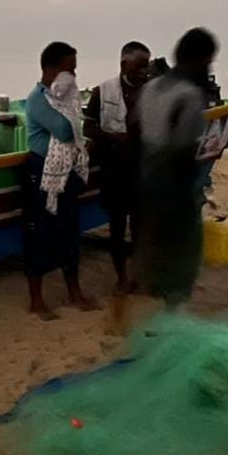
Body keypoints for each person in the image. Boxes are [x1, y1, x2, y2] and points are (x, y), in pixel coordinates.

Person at [133, 28, 218, 308]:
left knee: (153, 258)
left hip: (146, 186)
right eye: (208, 61)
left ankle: (150, 316)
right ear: (197, 59)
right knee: (180, 264)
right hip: (174, 189)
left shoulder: (150, 88)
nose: (209, 67)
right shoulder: (189, 95)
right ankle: (171, 318)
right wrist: (186, 199)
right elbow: (182, 153)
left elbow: (135, 131)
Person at [22, 41, 99, 319]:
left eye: (75, 72)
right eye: (69, 71)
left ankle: (74, 292)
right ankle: (36, 300)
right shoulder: (38, 99)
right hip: (42, 172)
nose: (73, 78)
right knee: (39, 236)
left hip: (66, 172)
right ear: (51, 70)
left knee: (69, 233)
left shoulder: (63, 100)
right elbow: (65, 130)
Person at [84, 41, 151, 293]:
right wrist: (113, 137)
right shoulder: (102, 92)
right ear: (124, 64)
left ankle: (138, 273)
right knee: (116, 226)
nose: (144, 72)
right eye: (139, 66)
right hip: (114, 170)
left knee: (140, 226)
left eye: (147, 67)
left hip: (142, 170)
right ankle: (121, 277)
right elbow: (87, 127)